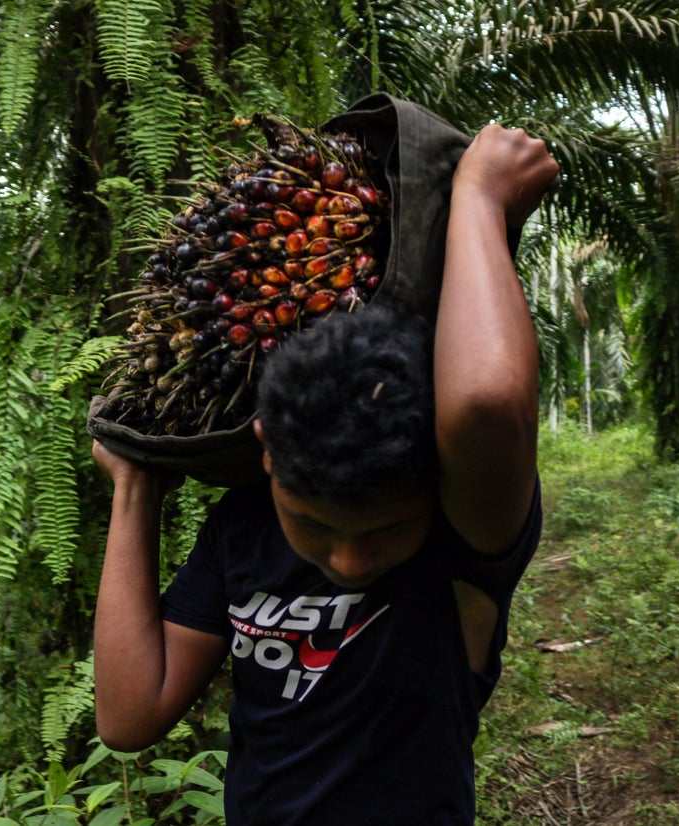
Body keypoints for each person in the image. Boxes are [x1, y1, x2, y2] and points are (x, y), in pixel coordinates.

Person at [91, 124, 559, 824]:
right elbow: (129, 717)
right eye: (310, 524)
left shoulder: (465, 540)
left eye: (385, 531)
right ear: (267, 453)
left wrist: (478, 196)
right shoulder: (244, 525)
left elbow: (487, 403)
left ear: (431, 486)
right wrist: (135, 488)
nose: (348, 560)